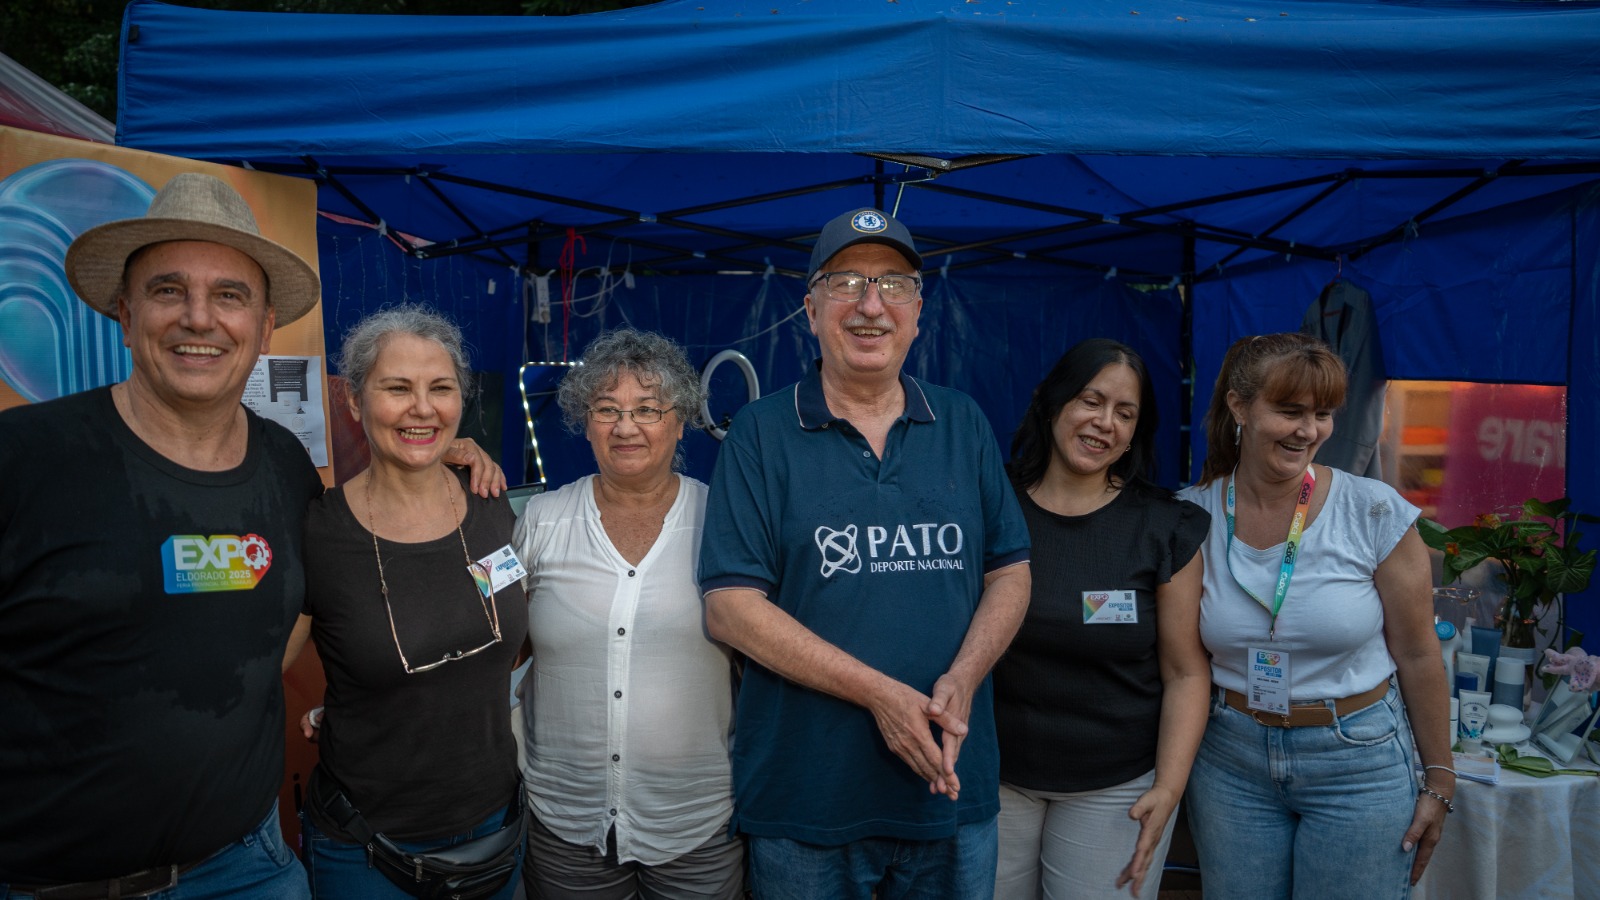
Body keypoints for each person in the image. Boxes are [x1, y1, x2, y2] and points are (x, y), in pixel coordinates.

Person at [0, 173, 323, 897]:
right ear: (125, 313)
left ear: (266, 325)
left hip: (248, 869)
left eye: (230, 295)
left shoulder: (285, 463)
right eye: (169, 291)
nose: (199, 319)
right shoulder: (22, 458)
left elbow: (293, 610)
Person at [699, 208, 1032, 899]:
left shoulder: (962, 420)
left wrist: (965, 676)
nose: (871, 305)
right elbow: (730, 609)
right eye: (846, 282)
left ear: (919, 311)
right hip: (807, 803)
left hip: (948, 793)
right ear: (811, 309)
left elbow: (1010, 570)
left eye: (894, 285)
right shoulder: (761, 434)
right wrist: (881, 696)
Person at [1176, 333, 1453, 897]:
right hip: (1231, 760)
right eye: (1290, 411)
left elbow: (1420, 653)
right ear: (1238, 406)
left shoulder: (1373, 510)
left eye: (1323, 414)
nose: (1309, 431)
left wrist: (1439, 780)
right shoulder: (1190, 515)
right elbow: (1181, 665)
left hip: (1359, 759)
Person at [289, 306, 529, 898]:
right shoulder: (318, 532)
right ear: (354, 403)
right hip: (367, 853)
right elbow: (255, 672)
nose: (422, 407)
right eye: (397, 388)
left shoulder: (494, 502)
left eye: (440, 389)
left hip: (497, 836)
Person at [512, 328, 743, 900]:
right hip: (565, 824)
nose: (625, 426)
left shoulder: (722, 521)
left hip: (698, 822)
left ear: (680, 420)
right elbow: (492, 642)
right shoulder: (541, 521)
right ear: (585, 421)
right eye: (606, 409)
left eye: (647, 409)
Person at [992, 339, 1210, 900]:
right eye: (1091, 401)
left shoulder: (1165, 527)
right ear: (1051, 403)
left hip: (1116, 786)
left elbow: (1186, 672)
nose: (1104, 423)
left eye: (1125, 412)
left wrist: (1169, 786)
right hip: (995, 777)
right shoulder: (989, 506)